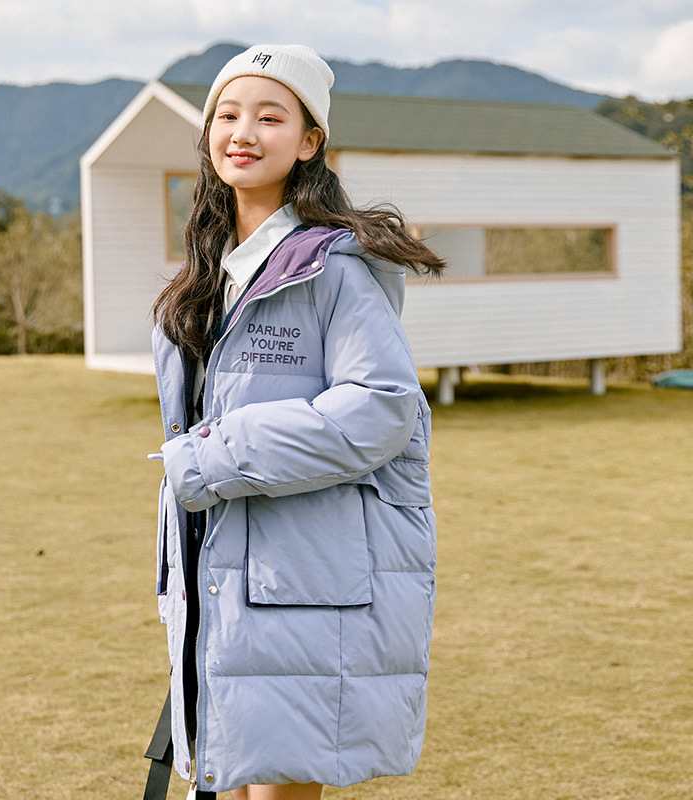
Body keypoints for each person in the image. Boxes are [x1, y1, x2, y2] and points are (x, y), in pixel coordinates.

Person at [149, 44, 444, 800]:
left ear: (309, 142)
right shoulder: (208, 275)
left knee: (275, 789)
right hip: (225, 577)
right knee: (232, 784)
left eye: (270, 116)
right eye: (227, 113)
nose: (242, 131)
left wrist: (214, 458)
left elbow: (382, 408)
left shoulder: (332, 268)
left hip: (303, 581)